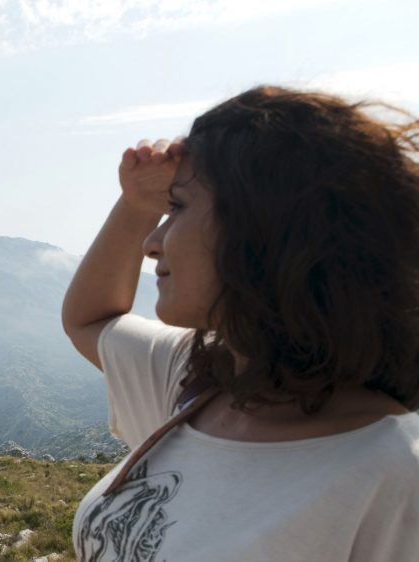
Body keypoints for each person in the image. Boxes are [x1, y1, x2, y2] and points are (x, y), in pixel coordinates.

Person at [61, 85, 419, 562]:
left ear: (264, 230)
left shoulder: (393, 474)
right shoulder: (196, 380)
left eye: (178, 208)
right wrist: (138, 202)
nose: (151, 242)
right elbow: (90, 318)